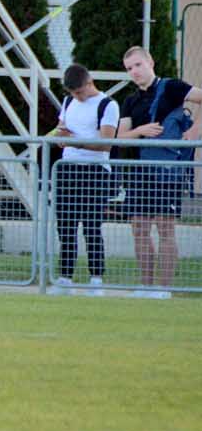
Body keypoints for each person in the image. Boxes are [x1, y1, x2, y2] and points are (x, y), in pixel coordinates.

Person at [116, 45, 202, 298]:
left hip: (167, 170)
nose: (134, 72)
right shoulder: (130, 100)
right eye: (129, 68)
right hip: (139, 171)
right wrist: (140, 132)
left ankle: (165, 289)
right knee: (139, 228)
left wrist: (195, 130)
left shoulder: (172, 87)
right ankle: (146, 285)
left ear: (150, 62)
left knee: (165, 228)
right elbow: (121, 136)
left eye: (138, 65)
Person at [51, 64, 119, 295]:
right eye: (72, 93)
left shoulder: (107, 105)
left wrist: (75, 141)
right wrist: (59, 137)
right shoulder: (69, 102)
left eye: (79, 92)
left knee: (92, 226)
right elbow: (62, 127)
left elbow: (106, 143)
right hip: (68, 168)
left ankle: (96, 279)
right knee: (66, 226)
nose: (76, 97)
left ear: (89, 83)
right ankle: (65, 278)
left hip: (94, 170)